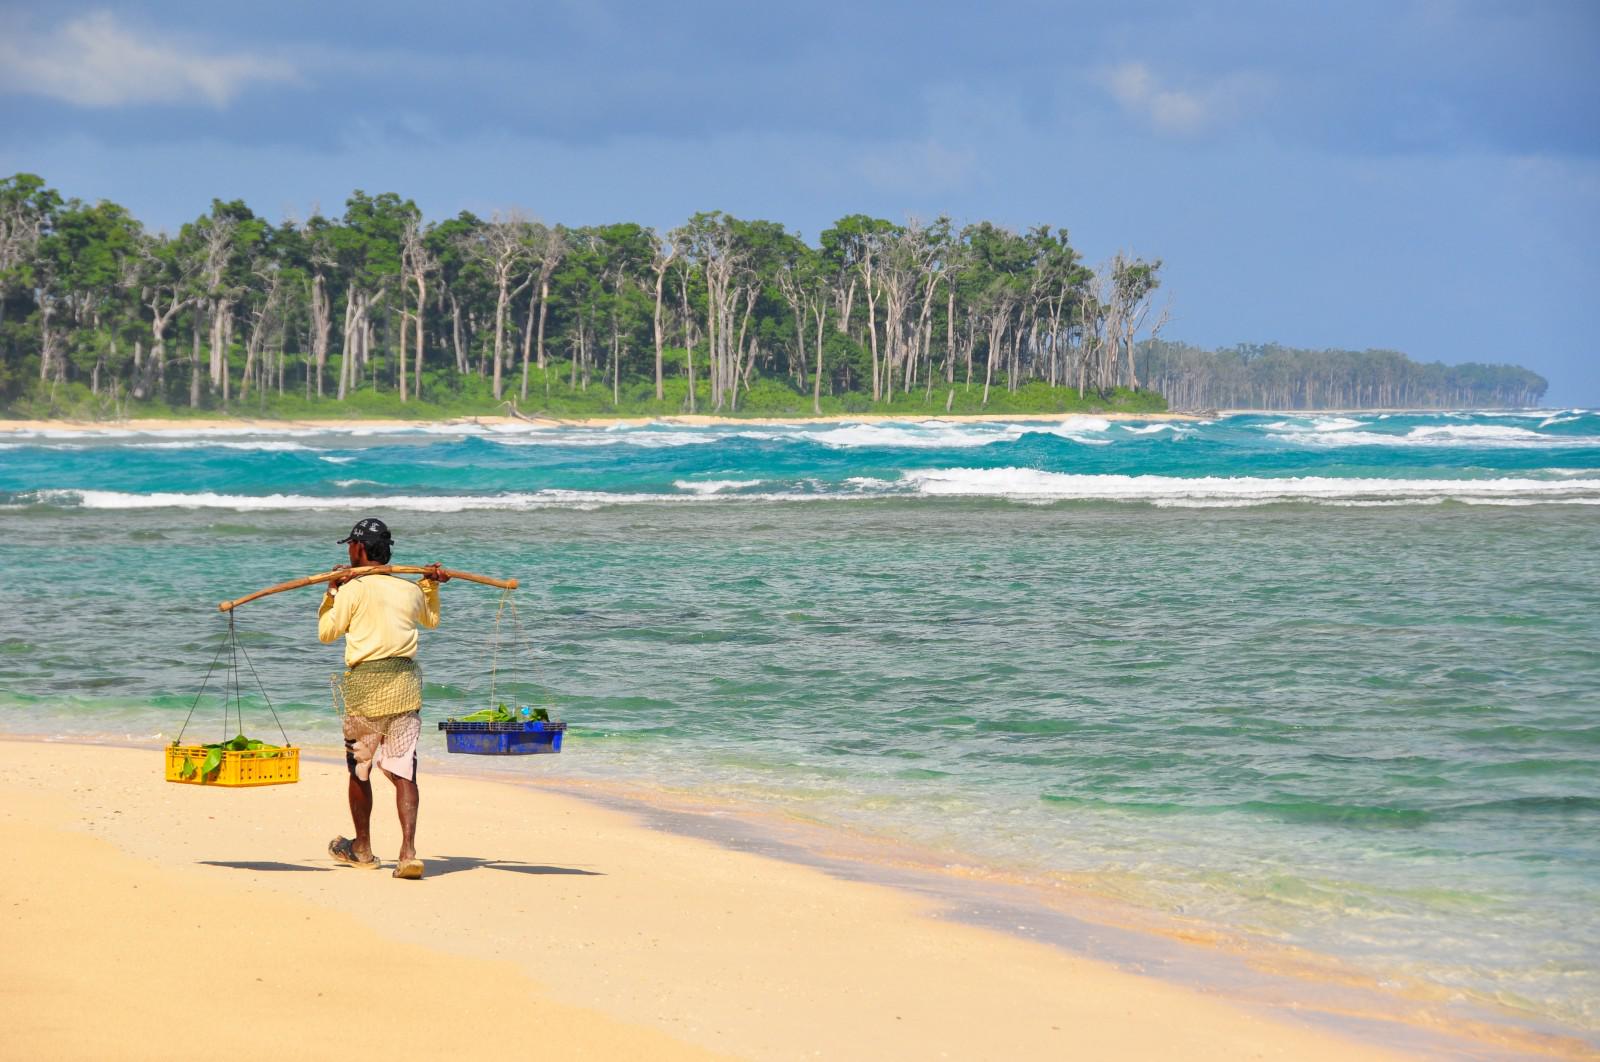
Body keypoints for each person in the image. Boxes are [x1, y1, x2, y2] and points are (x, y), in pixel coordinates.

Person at [318, 517, 449, 880]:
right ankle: (408, 852)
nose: (348, 551)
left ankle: (361, 848)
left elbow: (327, 633)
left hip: (366, 685)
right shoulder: (408, 589)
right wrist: (430, 586)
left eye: (350, 546)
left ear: (359, 549)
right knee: (404, 769)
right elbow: (432, 619)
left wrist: (330, 591)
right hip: (405, 683)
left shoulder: (351, 590)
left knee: (360, 770)